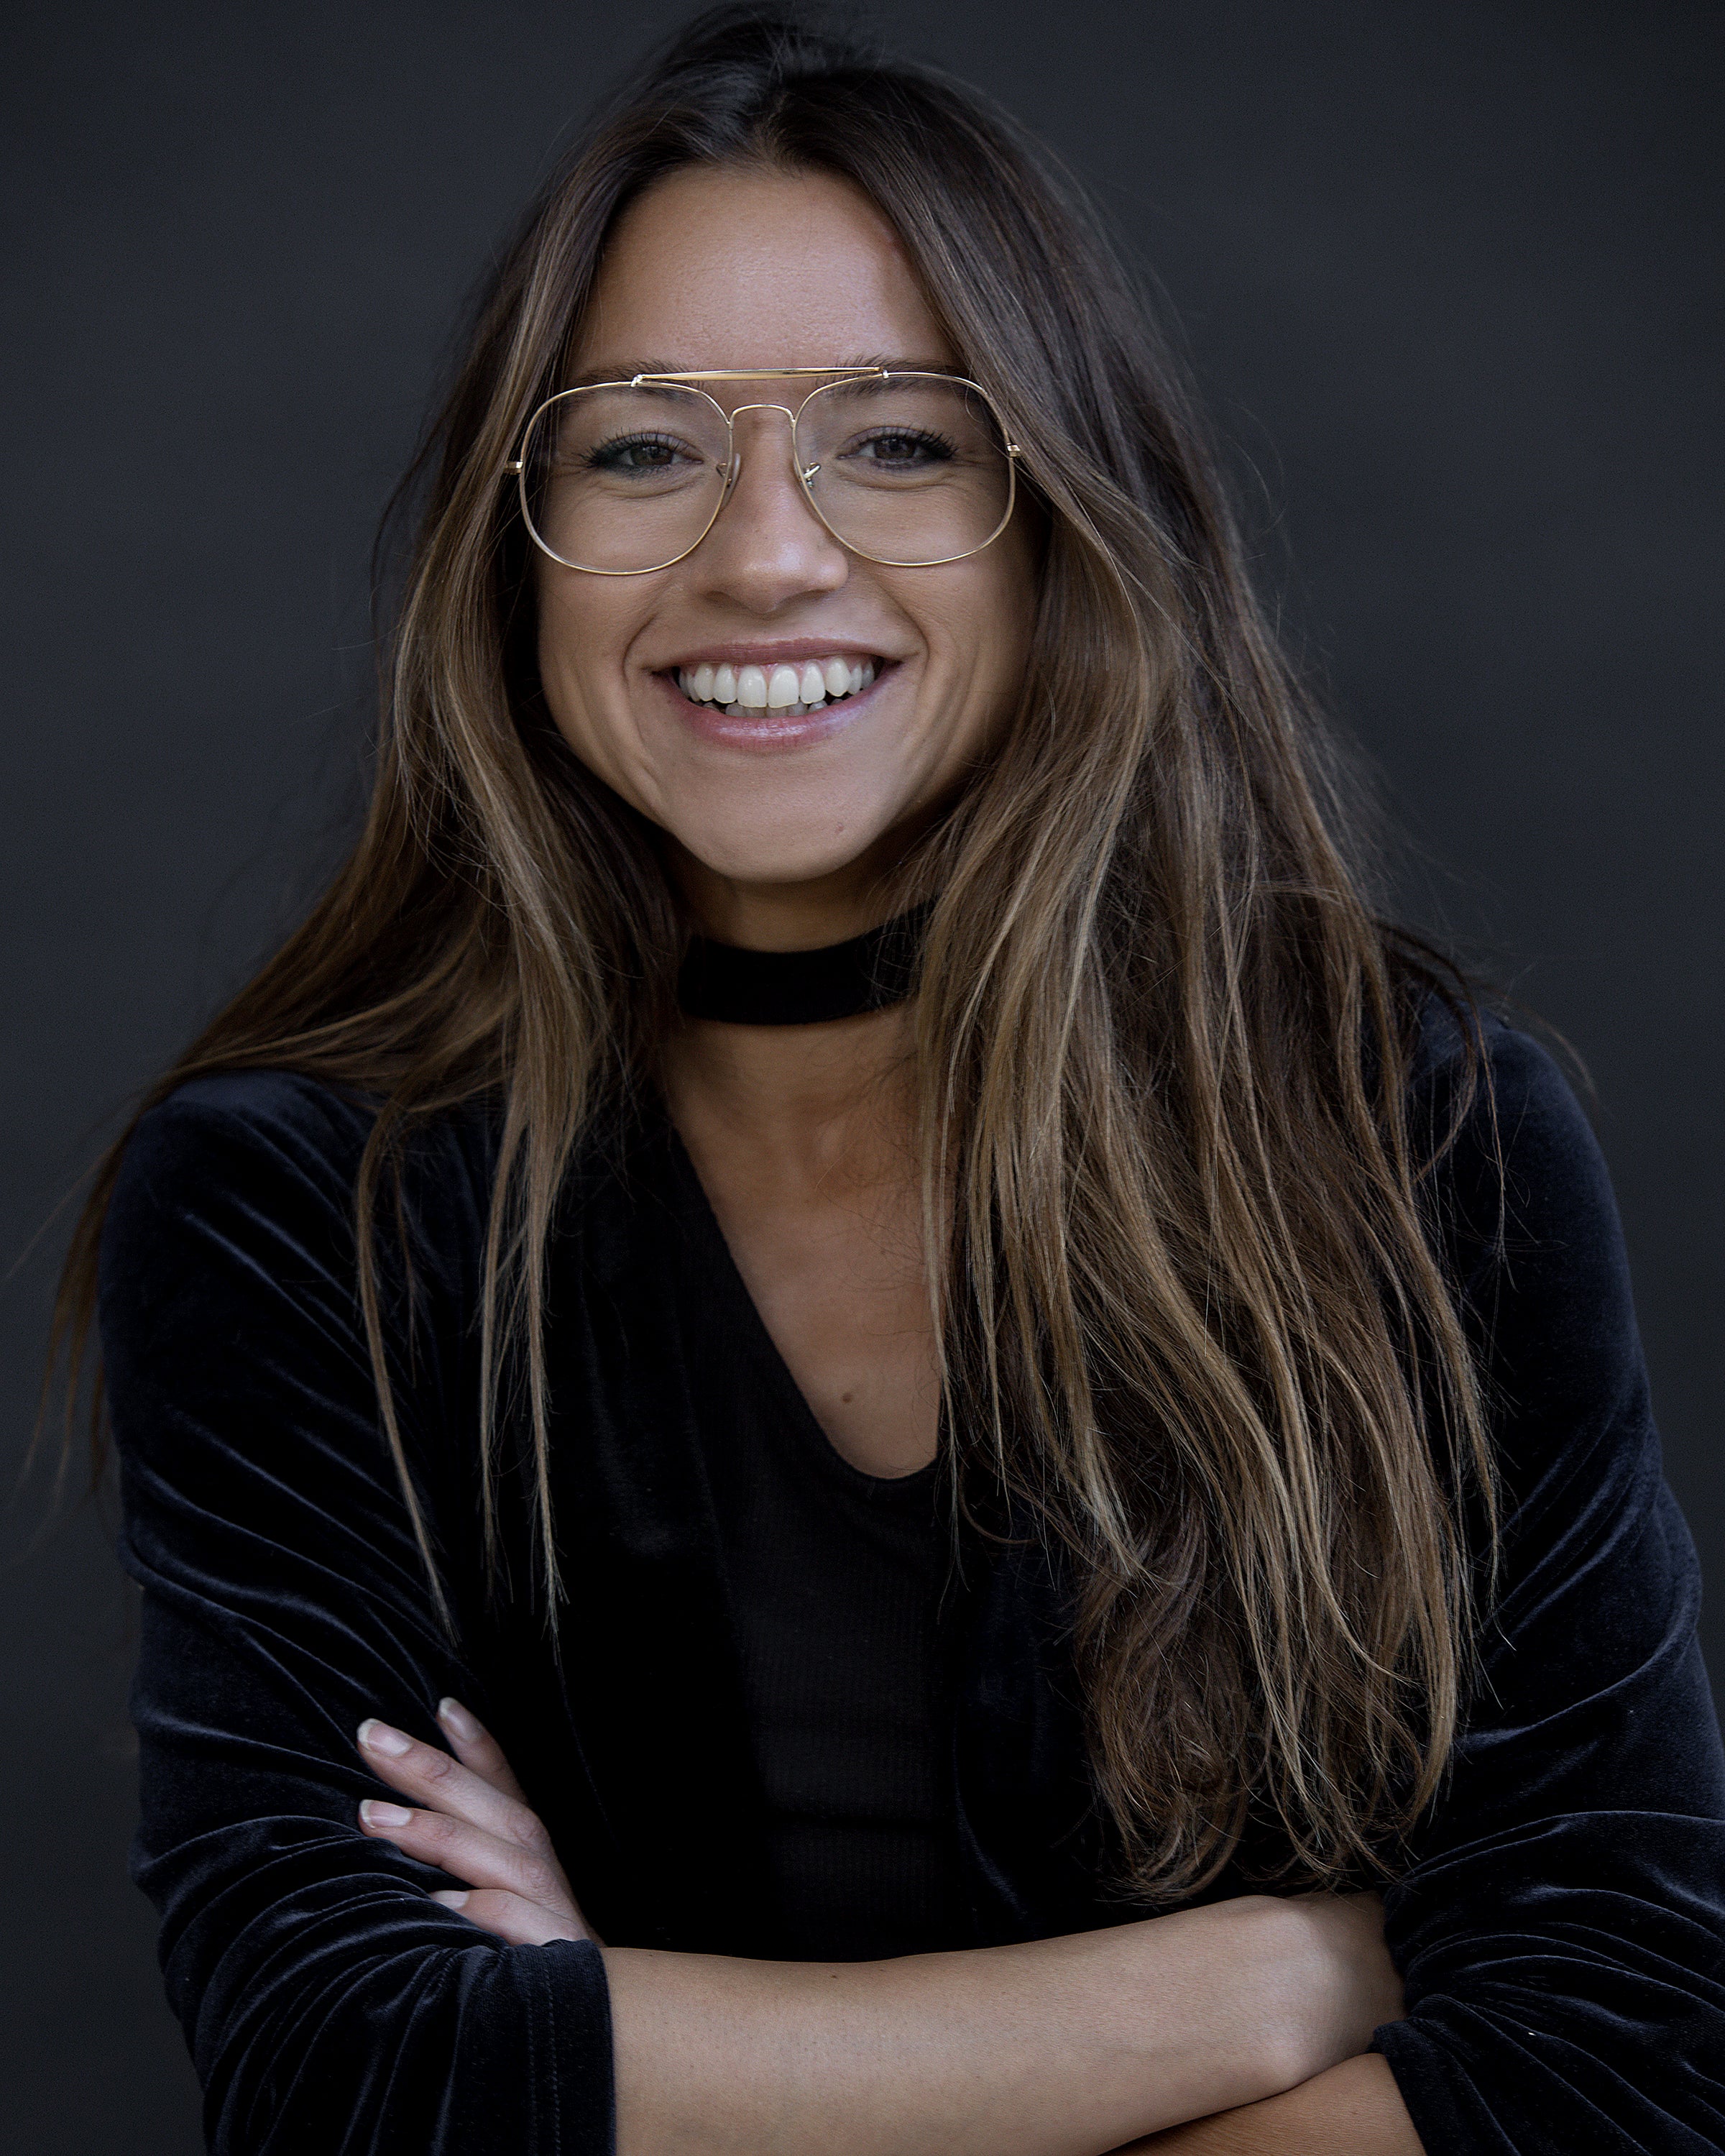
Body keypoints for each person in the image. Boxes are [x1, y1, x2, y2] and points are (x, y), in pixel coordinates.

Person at [54, 9, 1725, 2152]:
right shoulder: (303, 1201)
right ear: (516, 540)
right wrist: (1285, 1975)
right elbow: (350, 2075)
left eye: (902, 441)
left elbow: (1622, 2053)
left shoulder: (1409, 1132)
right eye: (640, 451)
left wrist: (629, 2055)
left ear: (1060, 523)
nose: (764, 554)